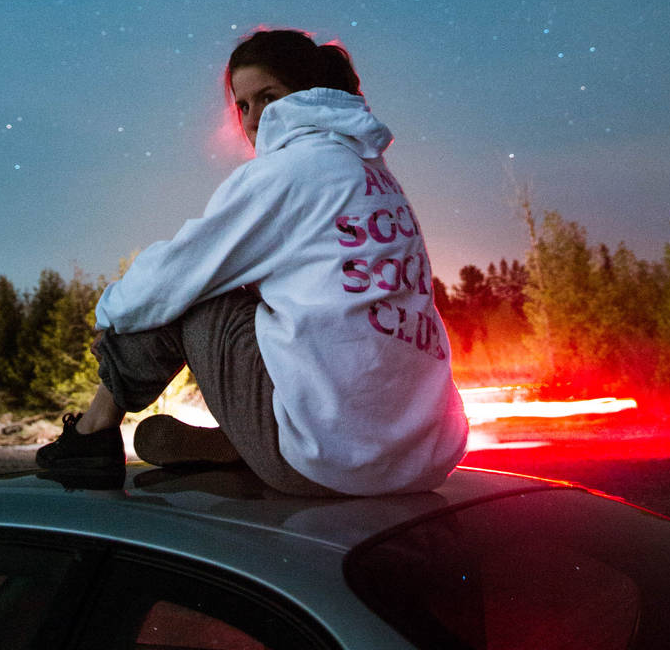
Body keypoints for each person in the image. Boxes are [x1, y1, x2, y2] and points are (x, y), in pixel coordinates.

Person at [36, 27, 469, 495]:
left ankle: (93, 435)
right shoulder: (373, 172)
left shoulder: (289, 171)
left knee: (193, 293)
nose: (255, 118)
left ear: (309, 93)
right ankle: (247, 439)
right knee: (233, 289)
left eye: (269, 97)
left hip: (332, 461)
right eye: (243, 105)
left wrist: (110, 316)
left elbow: (175, 273)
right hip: (423, 456)